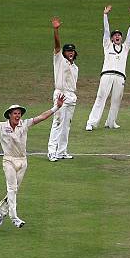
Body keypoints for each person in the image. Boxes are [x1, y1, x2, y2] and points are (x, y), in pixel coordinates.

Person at [0, 96, 65, 228]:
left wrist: (57, 107)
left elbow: (41, 117)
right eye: (15, 113)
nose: (18, 115)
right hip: (9, 161)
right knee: (12, 189)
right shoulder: (1, 127)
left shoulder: (24, 124)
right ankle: (14, 218)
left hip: (22, 162)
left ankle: (0, 213)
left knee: (13, 191)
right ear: (9, 115)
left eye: (19, 113)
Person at [85, 6, 130, 131]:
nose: (117, 36)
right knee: (101, 97)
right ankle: (91, 123)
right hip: (107, 75)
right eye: (115, 35)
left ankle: (111, 122)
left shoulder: (125, 47)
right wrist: (105, 15)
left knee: (116, 100)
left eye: (119, 35)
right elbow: (106, 31)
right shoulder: (107, 45)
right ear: (112, 38)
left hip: (120, 77)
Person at [47, 17, 78, 162]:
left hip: (71, 97)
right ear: (64, 53)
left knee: (66, 126)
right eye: (68, 51)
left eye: (72, 51)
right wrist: (56, 30)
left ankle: (62, 151)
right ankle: (51, 151)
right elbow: (57, 46)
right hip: (61, 94)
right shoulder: (59, 59)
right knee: (58, 123)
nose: (70, 52)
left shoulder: (75, 67)